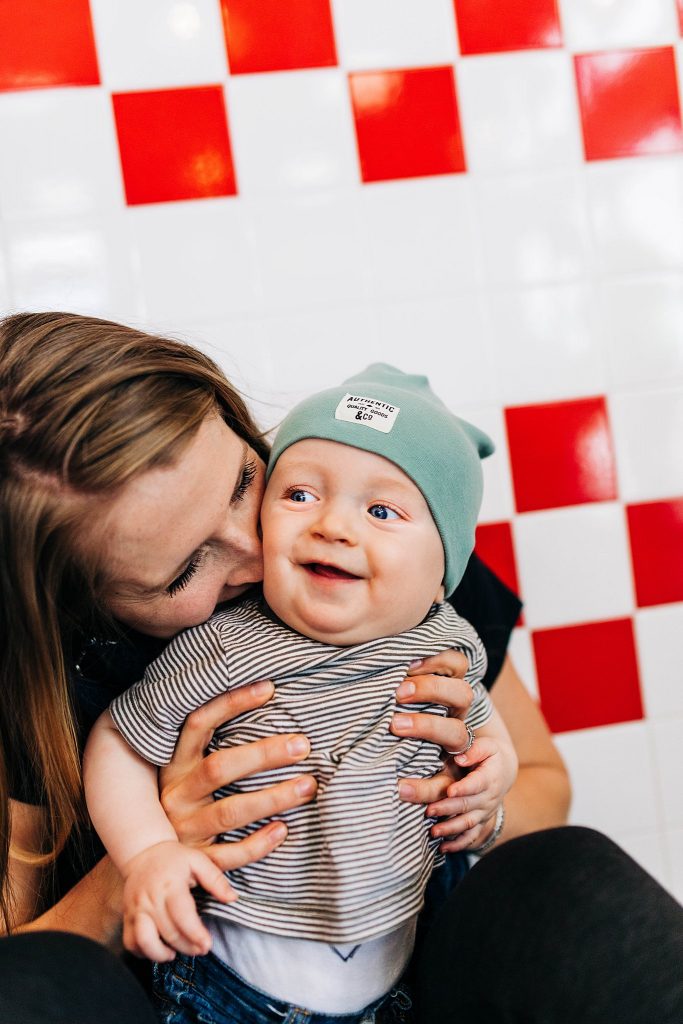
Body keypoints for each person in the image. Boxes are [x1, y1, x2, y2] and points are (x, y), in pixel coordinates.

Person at [4, 311, 678, 1023]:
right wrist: (146, 853)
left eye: (242, 482)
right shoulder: (48, 684)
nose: (262, 550)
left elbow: (544, 788)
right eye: (184, 570)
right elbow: (24, 962)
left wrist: (470, 803)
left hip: (411, 964)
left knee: (564, 868)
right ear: (75, 608)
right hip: (212, 990)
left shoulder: (385, 538)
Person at [83, 364, 519, 1020]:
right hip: (239, 981)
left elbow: (486, 729)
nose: (332, 526)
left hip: (411, 953)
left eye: (379, 511)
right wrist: (147, 853)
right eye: (300, 496)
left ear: (441, 574)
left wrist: (493, 779)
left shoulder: (447, 640)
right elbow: (118, 740)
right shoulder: (225, 648)